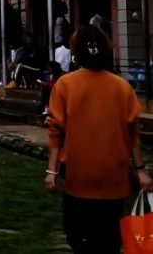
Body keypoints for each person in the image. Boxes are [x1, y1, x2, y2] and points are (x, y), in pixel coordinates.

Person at [45, 25, 153, 252]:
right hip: (113, 179)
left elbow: (56, 131)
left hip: (78, 178)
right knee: (109, 242)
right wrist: (141, 170)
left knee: (79, 240)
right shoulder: (122, 87)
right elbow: (133, 134)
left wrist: (52, 170)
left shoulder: (65, 85)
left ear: (76, 53)